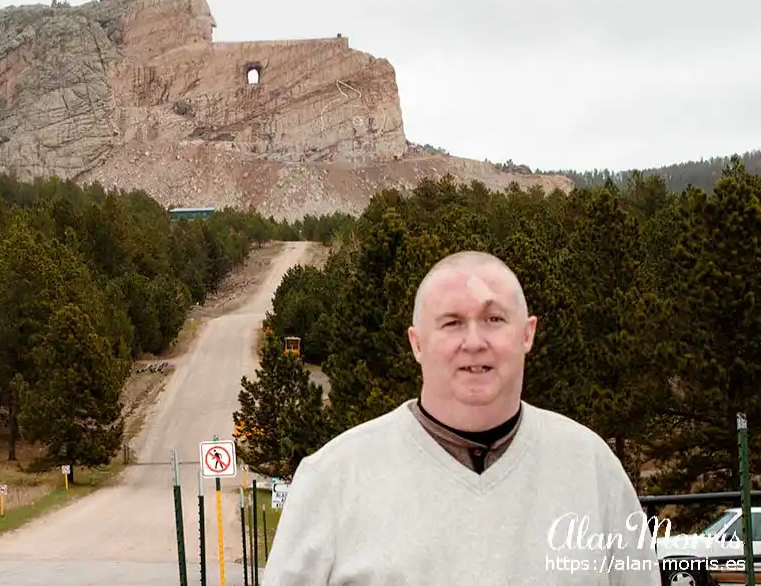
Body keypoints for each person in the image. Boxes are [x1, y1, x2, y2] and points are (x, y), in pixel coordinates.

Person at [260, 251, 660, 585]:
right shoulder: (333, 480)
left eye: (494, 319)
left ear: (527, 333)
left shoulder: (591, 469)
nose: (474, 342)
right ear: (417, 343)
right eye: (452, 323)